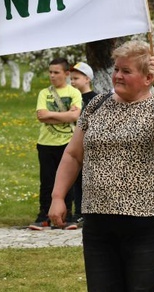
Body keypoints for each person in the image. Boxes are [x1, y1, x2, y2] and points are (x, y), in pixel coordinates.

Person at [48, 40, 154, 291]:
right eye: (116, 69)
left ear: (147, 78)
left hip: (148, 224)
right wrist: (58, 196)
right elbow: (73, 155)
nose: (117, 76)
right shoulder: (96, 105)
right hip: (98, 224)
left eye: (126, 71)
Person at [30, 58, 81, 230]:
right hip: (46, 143)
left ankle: (66, 215)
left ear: (66, 74)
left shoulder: (74, 92)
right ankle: (44, 215)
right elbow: (41, 115)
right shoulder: (44, 93)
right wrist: (65, 115)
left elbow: (75, 116)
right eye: (50, 72)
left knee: (68, 180)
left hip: (67, 142)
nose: (52, 76)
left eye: (56, 72)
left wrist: (53, 116)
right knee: (47, 180)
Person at [68, 61, 97, 227]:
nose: (72, 82)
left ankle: (85, 211)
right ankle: (76, 210)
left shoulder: (94, 99)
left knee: (85, 178)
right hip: (72, 142)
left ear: (87, 79)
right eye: (71, 78)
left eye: (76, 78)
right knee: (75, 179)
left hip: (87, 144)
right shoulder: (71, 98)